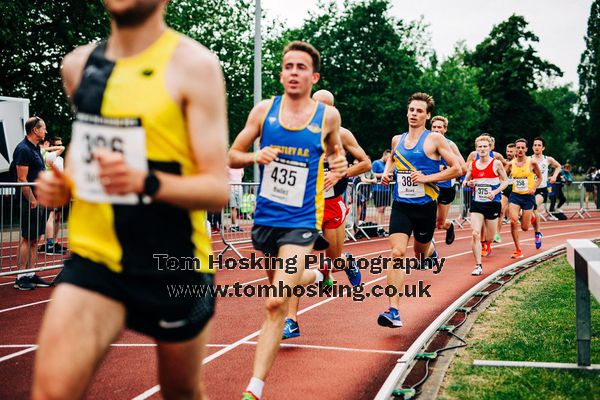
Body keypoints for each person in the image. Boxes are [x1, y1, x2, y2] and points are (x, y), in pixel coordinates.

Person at [32, 1, 230, 398]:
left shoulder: (194, 66)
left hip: (174, 263)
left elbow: (217, 189)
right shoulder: (78, 65)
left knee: (182, 391)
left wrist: (146, 182)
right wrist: (63, 186)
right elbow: (84, 150)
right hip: (96, 260)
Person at [227, 41, 347, 400]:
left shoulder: (327, 117)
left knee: (275, 302)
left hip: (301, 219)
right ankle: (314, 275)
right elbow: (232, 155)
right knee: (287, 283)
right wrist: (254, 155)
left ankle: (254, 389)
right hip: (266, 218)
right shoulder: (264, 111)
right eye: (288, 66)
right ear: (281, 73)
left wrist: (338, 166)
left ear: (314, 76)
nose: (293, 72)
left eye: (300, 67)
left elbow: (337, 154)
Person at [282, 89, 370, 340]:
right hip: (304, 207)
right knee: (295, 264)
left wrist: (340, 174)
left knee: (333, 257)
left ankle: (345, 262)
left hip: (332, 206)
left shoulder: (342, 134)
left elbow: (364, 162)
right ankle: (291, 321)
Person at [378, 92, 461, 327]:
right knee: (396, 253)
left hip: (425, 207)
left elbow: (458, 169)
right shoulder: (397, 139)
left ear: (427, 115)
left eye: (419, 111)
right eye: (411, 110)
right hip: (401, 205)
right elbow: (393, 159)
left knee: (420, 252)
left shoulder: (435, 139)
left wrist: (427, 178)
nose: (414, 114)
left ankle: (430, 251)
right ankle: (393, 310)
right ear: (407, 112)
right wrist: (386, 173)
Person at [11, 116, 53, 290]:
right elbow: (22, 179)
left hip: (39, 200)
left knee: (35, 239)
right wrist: (33, 201)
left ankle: (31, 272)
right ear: (35, 130)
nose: (46, 131)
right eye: (43, 128)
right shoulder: (23, 149)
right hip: (30, 202)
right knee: (28, 238)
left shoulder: (35, 148)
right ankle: (21, 277)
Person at [463, 135, 509, 275]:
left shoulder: (496, 163)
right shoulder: (472, 165)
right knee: (475, 234)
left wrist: (495, 192)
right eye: (480, 147)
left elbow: (506, 181)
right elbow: (465, 181)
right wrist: (468, 183)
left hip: (492, 204)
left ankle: (487, 243)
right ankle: (478, 265)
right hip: (477, 204)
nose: (482, 149)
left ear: (490, 148)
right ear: (476, 149)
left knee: (490, 237)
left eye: (485, 146)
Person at [430, 116, 467, 245]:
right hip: (429, 186)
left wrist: (445, 168)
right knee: (428, 219)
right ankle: (429, 246)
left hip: (446, 187)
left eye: (439, 127)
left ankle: (449, 225)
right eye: (434, 127)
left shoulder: (450, 145)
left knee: (440, 223)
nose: (436, 130)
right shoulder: (425, 143)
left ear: (445, 129)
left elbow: (463, 168)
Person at [507, 138, 542, 259]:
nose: (520, 150)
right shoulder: (511, 164)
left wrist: (534, 187)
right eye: (518, 148)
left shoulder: (531, 162)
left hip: (528, 197)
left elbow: (540, 178)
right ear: (515, 149)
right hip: (515, 196)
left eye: (522, 148)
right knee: (513, 221)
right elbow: (503, 176)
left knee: (525, 228)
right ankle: (518, 249)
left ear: (526, 149)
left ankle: (531, 217)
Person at [39, 136, 69, 255]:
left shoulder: (59, 158)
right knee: (50, 217)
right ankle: (49, 245)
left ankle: (54, 242)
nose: (60, 145)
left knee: (57, 217)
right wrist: (48, 148)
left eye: (60, 143)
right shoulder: (48, 156)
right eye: (57, 144)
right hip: (52, 189)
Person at [530, 137, 561, 249]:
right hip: (530, 189)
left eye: (539, 145)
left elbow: (558, 166)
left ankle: (537, 234)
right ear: (532, 147)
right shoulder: (528, 159)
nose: (536, 147)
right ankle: (536, 229)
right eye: (535, 145)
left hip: (541, 190)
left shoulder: (547, 159)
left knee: (534, 206)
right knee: (530, 211)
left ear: (543, 147)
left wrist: (554, 176)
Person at [495, 142, 516, 243]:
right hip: (506, 189)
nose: (508, 153)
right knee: (501, 210)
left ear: (516, 152)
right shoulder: (503, 163)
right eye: (507, 151)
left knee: (514, 215)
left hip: (517, 190)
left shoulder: (520, 163)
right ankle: (497, 234)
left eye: (511, 152)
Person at [372, 150, 391, 236]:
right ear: (385, 155)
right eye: (389, 157)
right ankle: (378, 227)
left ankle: (382, 227)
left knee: (383, 209)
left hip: (386, 189)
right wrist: (384, 174)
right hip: (378, 189)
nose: (389, 159)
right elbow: (372, 174)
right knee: (379, 209)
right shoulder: (376, 163)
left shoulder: (388, 165)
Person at [228, 166, 244, 231]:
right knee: (233, 207)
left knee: (236, 208)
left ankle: (234, 225)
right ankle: (234, 225)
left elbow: (242, 175)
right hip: (231, 188)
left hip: (239, 187)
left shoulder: (240, 166)